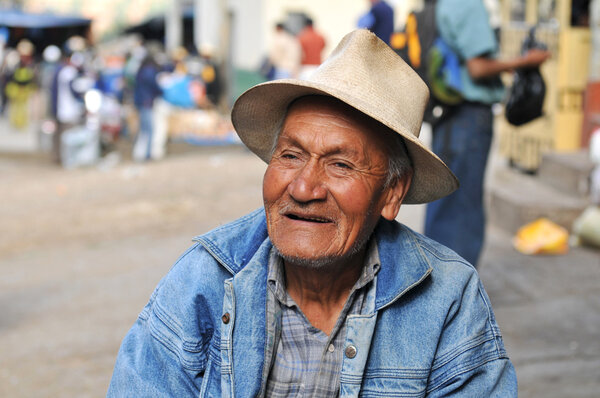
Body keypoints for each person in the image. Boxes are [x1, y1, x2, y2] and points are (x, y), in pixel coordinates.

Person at [108, 29, 517, 397]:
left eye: (340, 165)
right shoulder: (206, 278)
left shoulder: (448, 297)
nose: (303, 188)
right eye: (290, 155)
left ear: (392, 192)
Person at [424, 0, 551, 266]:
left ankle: (438, 281)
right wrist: (526, 61)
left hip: (451, 116)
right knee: (463, 208)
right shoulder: (468, 4)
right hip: (468, 117)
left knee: (446, 202)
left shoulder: (445, 4)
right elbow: (478, 67)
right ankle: (455, 290)